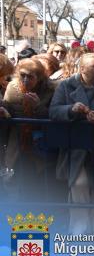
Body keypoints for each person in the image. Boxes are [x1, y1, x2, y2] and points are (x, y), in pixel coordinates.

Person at [50, 53, 94, 234]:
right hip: (76, 144)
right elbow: (54, 111)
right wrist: (71, 110)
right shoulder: (65, 86)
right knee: (79, 183)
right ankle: (79, 227)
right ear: (82, 69)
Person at [1, 59, 56, 199]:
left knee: (43, 185)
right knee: (23, 182)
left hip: (43, 143)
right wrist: (3, 111)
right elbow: (8, 109)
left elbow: (54, 116)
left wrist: (38, 106)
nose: (25, 80)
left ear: (39, 77)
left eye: (30, 77)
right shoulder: (13, 87)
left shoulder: (51, 89)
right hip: (20, 143)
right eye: (23, 75)